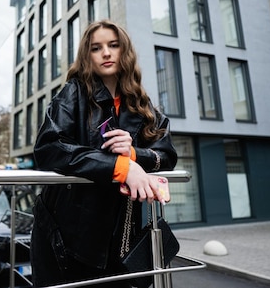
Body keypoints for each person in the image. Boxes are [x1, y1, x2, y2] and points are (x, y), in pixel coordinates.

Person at [31, 20, 178, 287]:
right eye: (97, 48)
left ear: (125, 51)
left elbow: (166, 154)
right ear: (88, 56)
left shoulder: (141, 104)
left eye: (113, 45)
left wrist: (134, 154)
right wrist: (121, 167)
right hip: (68, 236)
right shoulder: (73, 93)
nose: (106, 53)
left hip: (121, 237)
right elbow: (48, 147)